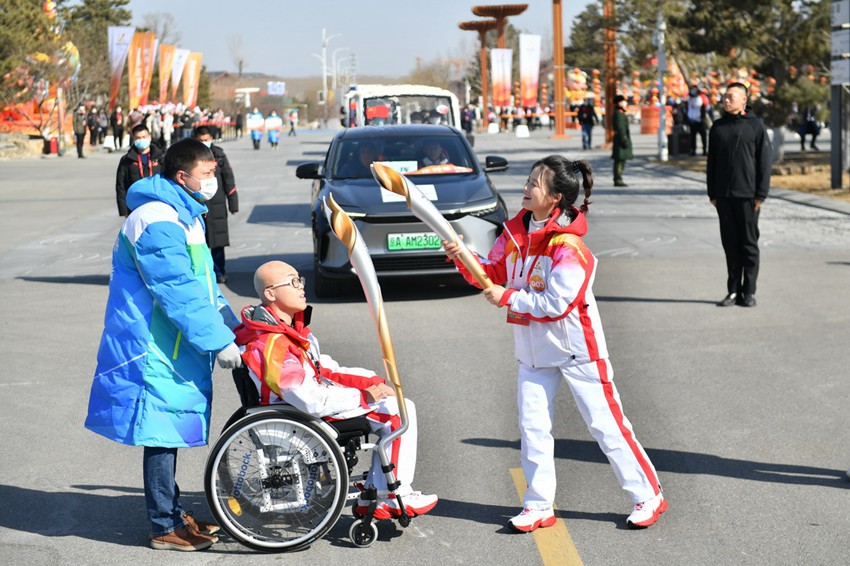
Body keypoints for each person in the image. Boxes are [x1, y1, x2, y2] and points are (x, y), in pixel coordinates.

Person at [442, 155, 665, 532]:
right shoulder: (514, 234)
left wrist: (508, 298)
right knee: (532, 428)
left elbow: (556, 304)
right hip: (533, 353)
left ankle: (648, 495)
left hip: (578, 351)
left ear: (556, 197)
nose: (526, 187)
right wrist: (464, 257)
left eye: (535, 183)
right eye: (528, 180)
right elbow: (493, 274)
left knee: (606, 427)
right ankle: (539, 504)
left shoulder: (570, 248)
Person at [85, 138, 243, 552]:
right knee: (160, 430)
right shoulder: (155, 219)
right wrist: (217, 339)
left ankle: (172, 511)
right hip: (151, 344)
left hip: (174, 341)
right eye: (208, 174)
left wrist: (231, 324)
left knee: (169, 427)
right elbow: (177, 291)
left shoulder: (186, 214)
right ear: (182, 176)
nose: (213, 181)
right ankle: (162, 525)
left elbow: (203, 284)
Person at [234, 260, 439, 519]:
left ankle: (379, 488)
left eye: (301, 280)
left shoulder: (291, 332)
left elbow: (325, 370)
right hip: (294, 418)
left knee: (395, 401)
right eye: (293, 282)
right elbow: (310, 400)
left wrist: (371, 381)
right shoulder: (271, 343)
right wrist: (364, 396)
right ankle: (392, 495)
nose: (301, 288)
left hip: (302, 410)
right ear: (270, 294)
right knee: (398, 412)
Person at [707, 82, 772, 308]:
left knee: (748, 244)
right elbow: (711, 162)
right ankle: (733, 290)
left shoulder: (755, 126)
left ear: (744, 100)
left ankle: (749, 291)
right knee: (730, 244)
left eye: (731, 97)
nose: (726, 100)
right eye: (724, 96)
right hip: (724, 196)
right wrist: (712, 193)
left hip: (748, 196)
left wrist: (760, 195)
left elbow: (764, 162)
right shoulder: (718, 127)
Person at [193, 126, 238, 283]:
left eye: (206, 140)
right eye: (201, 140)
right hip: (197, 204)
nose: (204, 143)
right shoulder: (191, 156)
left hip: (217, 204)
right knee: (198, 242)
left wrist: (233, 203)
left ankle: (219, 272)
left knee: (218, 242)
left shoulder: (219, 155)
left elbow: (228, 179)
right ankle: (202, 273)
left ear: (211, 138)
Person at [115, 124, 163, 217]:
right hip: (135, 205)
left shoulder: (160, 157)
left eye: (144, 137)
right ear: (134, 139)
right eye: (138, 138)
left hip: (158, 203)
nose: (141, 140)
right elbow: (120, 186)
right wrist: (124, 210)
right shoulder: (127, 160)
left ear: (149, 137)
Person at [611, 94, 632, 187]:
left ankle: (618, 178)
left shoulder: (620, 112)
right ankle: (618, 179)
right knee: (619, 160)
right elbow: (620, 128)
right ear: (619, 103)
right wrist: (624, 140)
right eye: (623, 101)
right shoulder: (618, 114)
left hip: (620, 139)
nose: (625, 103)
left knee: (620, 160)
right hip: (620, 140)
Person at [687, 86, 710, 156]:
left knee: (703, 136)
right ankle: (693, 150)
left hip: (700, 121)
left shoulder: (701, 98)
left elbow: (706, 107)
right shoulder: (690, 99)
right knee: (692, 137)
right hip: (692, 121)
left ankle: (704, 150)